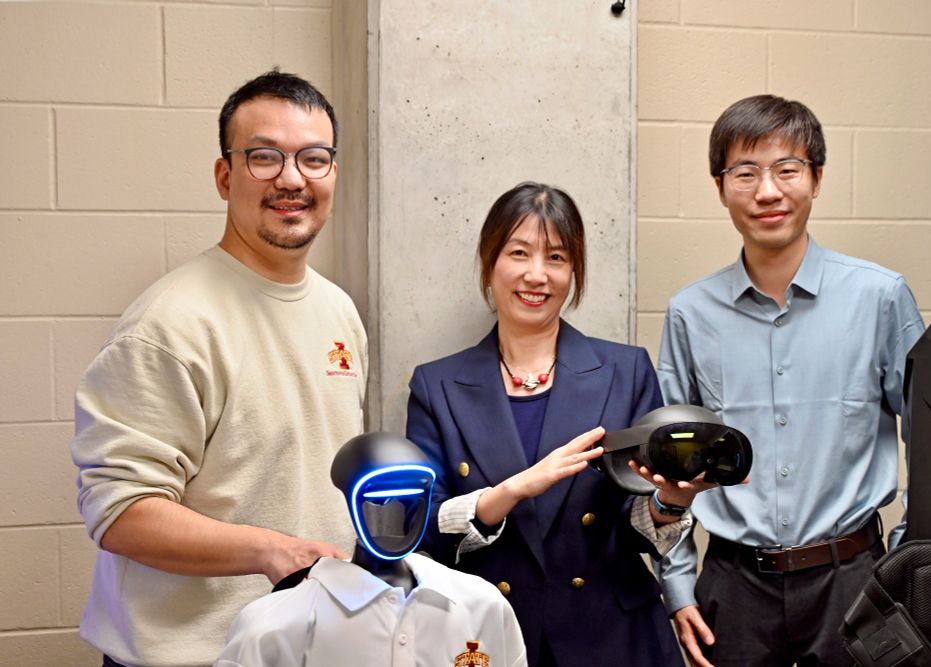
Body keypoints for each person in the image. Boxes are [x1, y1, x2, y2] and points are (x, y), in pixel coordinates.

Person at [70, 70, 367, 667]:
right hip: (194, 657)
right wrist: (272, 551)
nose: (291, 179)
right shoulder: (169, 323)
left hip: (309, 647)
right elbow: (120, 512)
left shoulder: (339, 311)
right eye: (264, 157)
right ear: (225, 176)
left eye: (313, 159)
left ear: (332, 173)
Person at [655, 94, 926, 667]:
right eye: (745, 172)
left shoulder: (880, 297)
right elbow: (671, 467)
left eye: (787, 169)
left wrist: (903, 564)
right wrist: (678, 587)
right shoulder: (690, 313)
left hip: (856, 580)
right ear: (720, 185)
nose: (768, 191)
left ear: (817, 178)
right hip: (732, 585)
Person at [405, 182, 712, 667]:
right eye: (519, 252)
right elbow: (420, 530)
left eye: (556, 257)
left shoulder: (626, 371)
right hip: (487, 635)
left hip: (611, 638)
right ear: (489, 263)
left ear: (574, 271)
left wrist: (671, 501)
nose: (536, 275)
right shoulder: (437, 385)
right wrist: (511, 490)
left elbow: (633, 523)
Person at [216, 432, 527, 667]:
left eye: (409, 499)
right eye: (377, 501)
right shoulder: (273, 625)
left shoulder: (484, 605)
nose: (392, 515)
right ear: (349, 500)